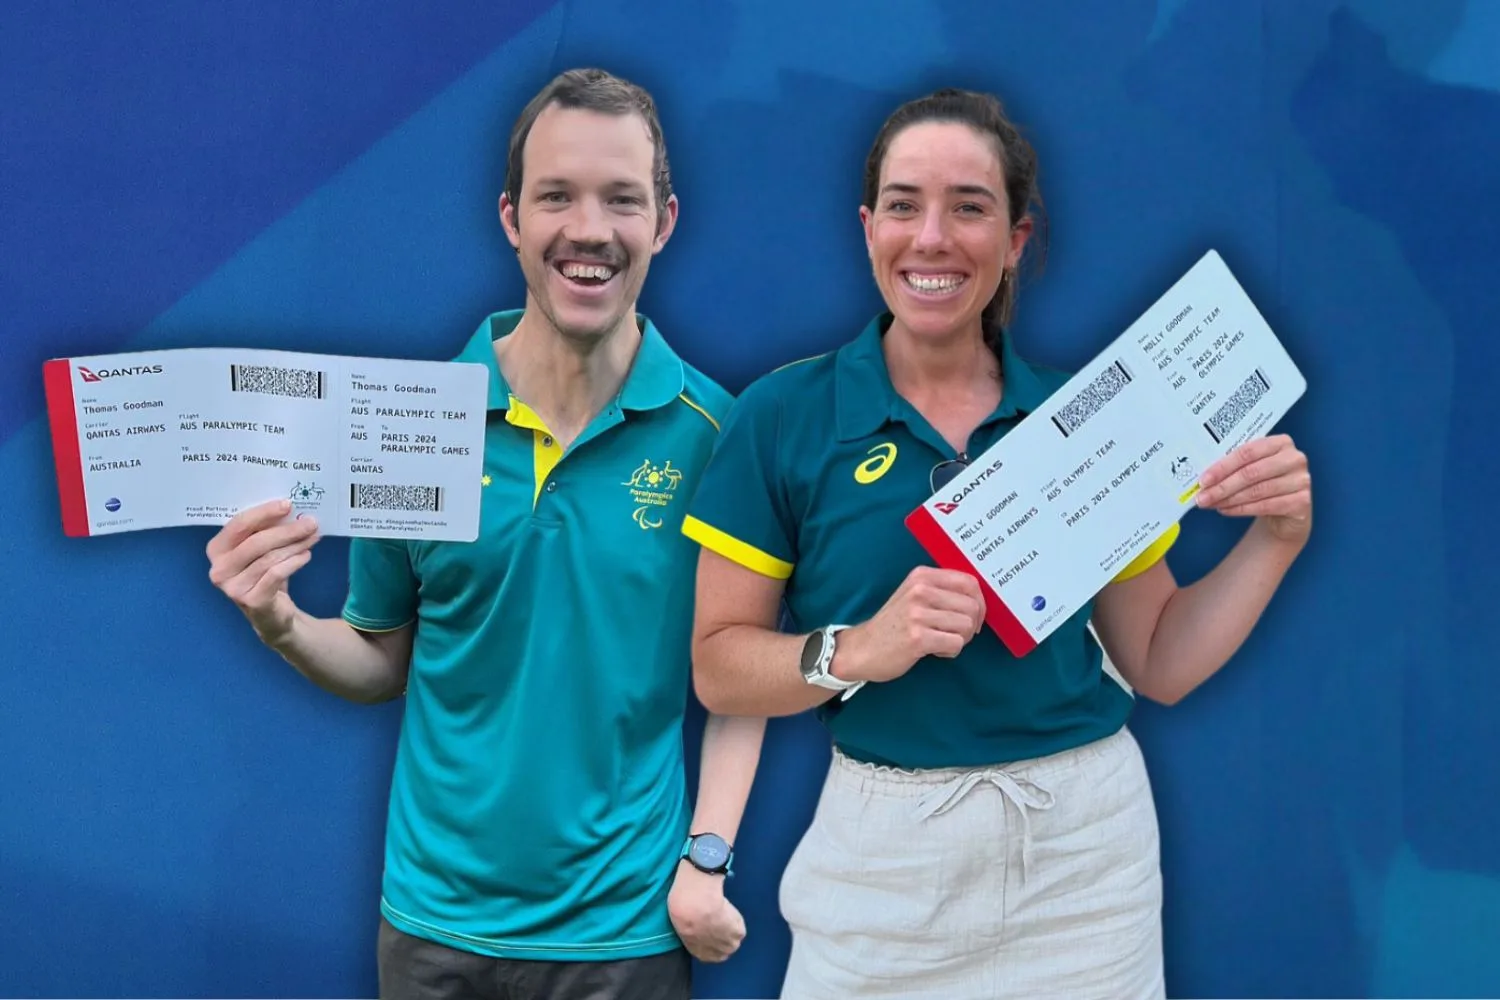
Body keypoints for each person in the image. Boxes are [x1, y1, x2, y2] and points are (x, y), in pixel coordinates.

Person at [680, 87, 1314, 999]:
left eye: (969, 207)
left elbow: (1162, 658)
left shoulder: (1083, 421)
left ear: (1016, 239)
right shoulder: (782, 418)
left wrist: (1275, 541)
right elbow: (719, 666)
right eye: (904, 205)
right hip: (882, 861)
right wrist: (861, 649)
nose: (931, 237)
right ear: (868, 228)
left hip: (1086, 860)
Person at [204, 68, 765, 1000]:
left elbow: (742, 666)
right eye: (557, 196)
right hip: (433, 934)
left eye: (622, 199)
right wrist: (280, 621)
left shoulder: (721, 436)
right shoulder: (417, 423)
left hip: (624, 939)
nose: (589, 229)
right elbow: (383, 658)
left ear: (664, 221)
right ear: (512, 218)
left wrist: (707, 853)